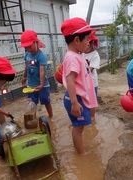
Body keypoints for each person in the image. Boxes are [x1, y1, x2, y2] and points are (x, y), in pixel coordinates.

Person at [61, 17, 98, 155]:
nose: (89, 42)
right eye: (87, 39)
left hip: (79, 98)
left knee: (80, 127)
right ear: (77, 40)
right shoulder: (72, 57)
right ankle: (82, 154)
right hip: (76, 99)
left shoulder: (78, 54)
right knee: (78, 128)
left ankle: (81, 150)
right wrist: (74, 103)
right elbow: (70, 81)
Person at [20, 30, 53, 119]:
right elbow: (26, 66)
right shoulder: (27, 54)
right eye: (26, 47)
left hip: (43, 85)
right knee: (31, 103)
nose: (28, 49)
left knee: (46, 101)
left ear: (36, 42)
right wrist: (24, 76)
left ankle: (51, 117)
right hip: (31, 85)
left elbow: (42, 71)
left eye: (29, 46)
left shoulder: (41, 56)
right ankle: (32, 120)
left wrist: (42, 84)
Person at [83, 31, 100, 121]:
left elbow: (90, 70)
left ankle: (92, 117)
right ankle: (86, 116)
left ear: (91, 44)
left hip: (92, 83)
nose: (85, 47)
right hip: (82, 82)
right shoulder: (81, 52)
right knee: (84, 100)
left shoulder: (95, 55)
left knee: (92, 101)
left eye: (87, 45)